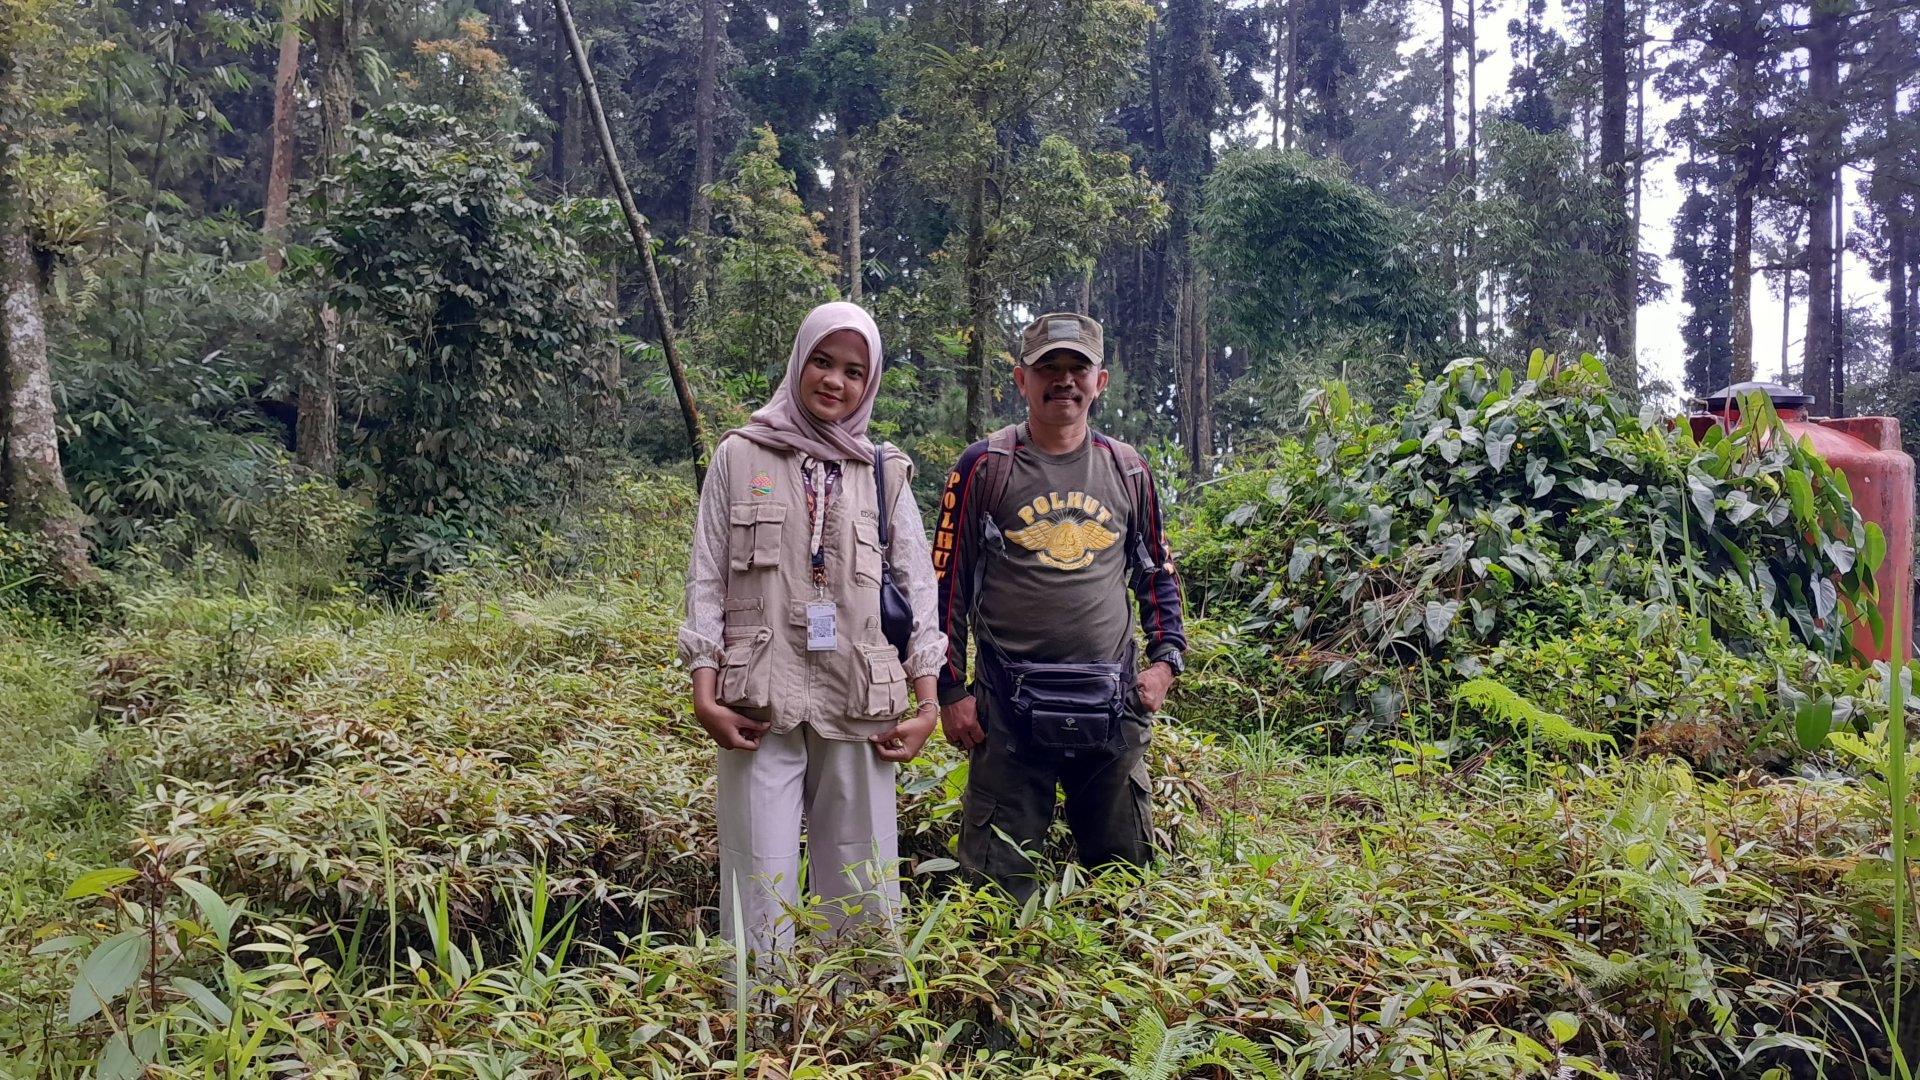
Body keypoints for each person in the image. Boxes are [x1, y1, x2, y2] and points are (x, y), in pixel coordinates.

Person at [678, 301, 946, 965]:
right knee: (758, 876)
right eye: (823, 362)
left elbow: (917, 590)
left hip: (861, 701)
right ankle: (760, 1026)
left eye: (854, 371)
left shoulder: (884, 471)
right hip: (755, 702)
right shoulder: (739, 456)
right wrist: (704, 693)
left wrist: (929, 704)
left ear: (870, 382)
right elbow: (707, 578)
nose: (835, 381)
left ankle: (858, 1030)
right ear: (799, 361)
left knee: (863, 881)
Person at [931, 312, 1187, 900]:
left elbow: (1156, 572)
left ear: (1101, 382)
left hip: (1112, 701)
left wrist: (1164, 661)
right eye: (1049, 368)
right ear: (1021, 380)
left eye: (1079, 367)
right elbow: (946, 584)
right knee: (995, 889)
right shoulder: (982, 467)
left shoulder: (1128, 469)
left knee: (1124, 885)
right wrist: (951, 692)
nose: (1064, 380)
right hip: (1006, 707)